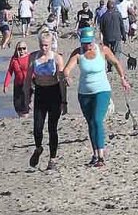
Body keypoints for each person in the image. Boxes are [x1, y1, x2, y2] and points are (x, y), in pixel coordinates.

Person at [63, 25, 131, 167]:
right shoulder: (78, 53)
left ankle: (101, 156)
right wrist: (67, 77)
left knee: (97, 120)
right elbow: (67, 69)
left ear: (93, 40)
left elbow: (116, 62)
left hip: (102, 91)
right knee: (90, 123)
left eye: (89, 42)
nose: (87, 45)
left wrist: (123, 79)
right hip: (84, 93)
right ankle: (94, 154)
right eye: (84, 42)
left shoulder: (103, 50)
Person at [27, 29, 65, 170]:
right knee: (37, 127)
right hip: (40, 93)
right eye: (42, 45)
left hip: (54, 93)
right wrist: (27, 97)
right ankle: (38, 148)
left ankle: (52, 160)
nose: (44, 48)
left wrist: (64, 101)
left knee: (52, 128)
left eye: (47, 45)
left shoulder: (57, 58)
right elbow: (27, 79)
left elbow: (61, 81)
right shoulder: (33, 57)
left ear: (51, 44)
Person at [3, 41, 32, 117]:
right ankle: (21, 116)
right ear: (17, 49)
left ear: (26, 49)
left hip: (28, 83)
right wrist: (6, 85)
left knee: (25, 102)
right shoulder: (14, 59)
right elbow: (10, 72)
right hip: (17, 84)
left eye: (24, 48)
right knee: (17, 104)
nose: (22, 51)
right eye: (19, 49)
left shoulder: (30, 57)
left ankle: (26, 116)